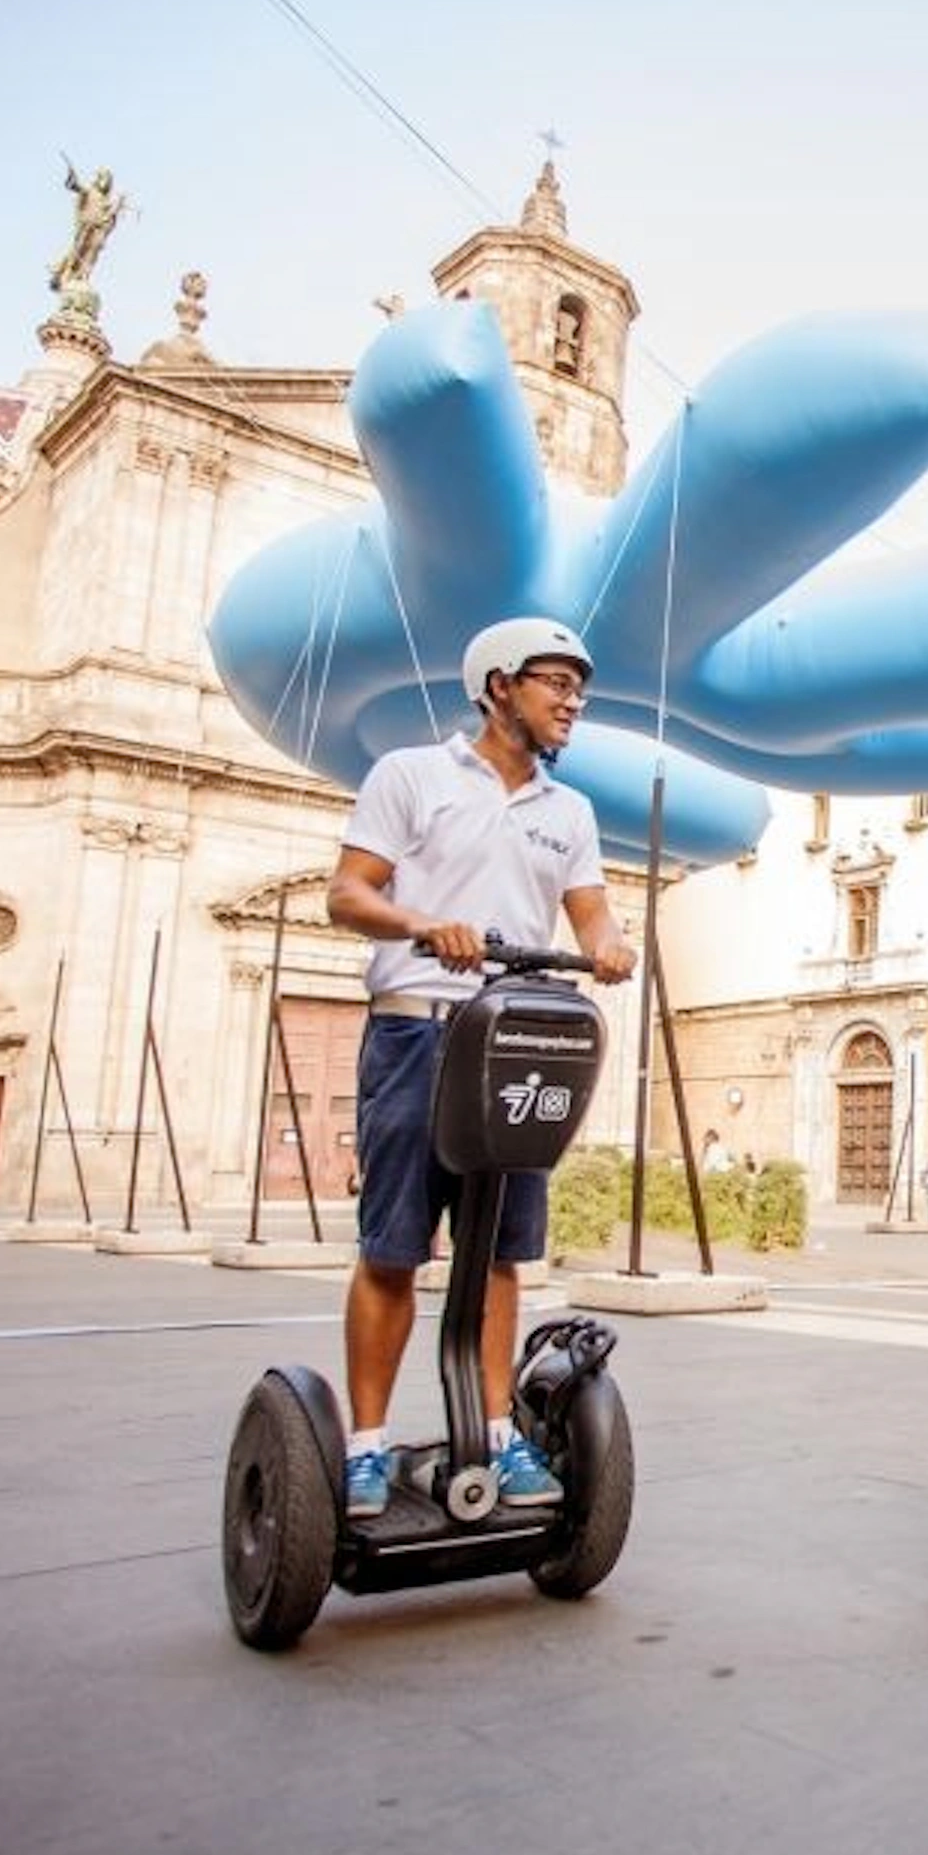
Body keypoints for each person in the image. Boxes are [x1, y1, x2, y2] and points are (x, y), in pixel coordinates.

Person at [325, 616, 637, 1517]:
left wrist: (611, 945)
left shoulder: (569, 812)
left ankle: (499, 1435)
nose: (573, 703)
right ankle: (366, 1447)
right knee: (392, 1249)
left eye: (579, 689)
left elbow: (590, 913)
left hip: (515, 1040)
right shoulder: (411, 775)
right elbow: (347, 893)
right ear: (500, 685)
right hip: (418, 1031)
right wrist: (423, 924)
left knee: (499, 1253)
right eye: (556, 684)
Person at [49, 162, 125, 292]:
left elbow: (109, 219)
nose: (105, 182)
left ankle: (84, 276)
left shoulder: (106, 201)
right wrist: (72, 181)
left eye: (108, 180)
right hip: (86, 227)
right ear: (98, 179)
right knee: (78, 250)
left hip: (98, 230)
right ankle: (64, 271)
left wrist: (117, 206)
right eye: (103, 178)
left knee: (92, 254)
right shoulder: (90, 191)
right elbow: (76, 187)